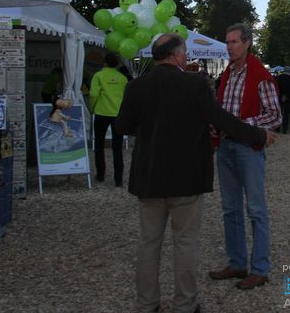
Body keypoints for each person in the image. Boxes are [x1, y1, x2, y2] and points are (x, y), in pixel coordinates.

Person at [115, 34, 277, 313]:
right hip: (186, 178)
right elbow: (220, 118)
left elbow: (123, 126)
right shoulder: (194, 85)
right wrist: (258, 135)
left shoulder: (136, 86)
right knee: (185, 243)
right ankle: (185, 304)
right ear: (178, 54)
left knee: (149, 243)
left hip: (149, 177)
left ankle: (147, 303)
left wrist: (151, 129)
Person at [209, 23, 281, 290]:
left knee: (256, 210)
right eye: (227, 42)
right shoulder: (228, 74)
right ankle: (237, 262)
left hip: (246, 149)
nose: (229, 47)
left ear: (248, 43)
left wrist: (240, 125)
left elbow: (275, 115)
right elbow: (222, 112)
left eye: (234, 42)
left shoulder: (260, 75)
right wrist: (219, 128)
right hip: (226, 147)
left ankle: (260, 268)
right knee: (230, 209)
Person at [89, 53, 129, 186]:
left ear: (104, 63)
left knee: (99, 144)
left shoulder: (98, 75)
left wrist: (92, 108)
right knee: (117, 147)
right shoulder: (122, 78)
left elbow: (94, 94)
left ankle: (100, 174)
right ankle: (118, 179)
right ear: (117, 64)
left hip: (101, 112)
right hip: (118, 114)